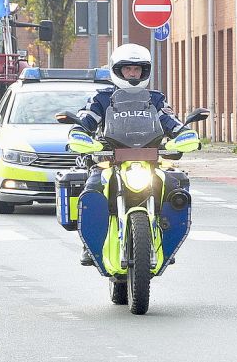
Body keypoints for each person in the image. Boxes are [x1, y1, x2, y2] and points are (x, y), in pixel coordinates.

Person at [74, 43, 190, 266]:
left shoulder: (155, 99)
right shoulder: (102, 99)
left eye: (137, 69)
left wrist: (184, 134)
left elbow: (170, 122)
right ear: (117, 70)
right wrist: (79, 133)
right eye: (127, 69)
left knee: (174, 187)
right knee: (92, 189)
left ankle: (168, 241)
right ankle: (90, 246)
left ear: (145, 71)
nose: (133, 73)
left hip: (149, 160)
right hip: (110, 160)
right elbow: (86, 120)